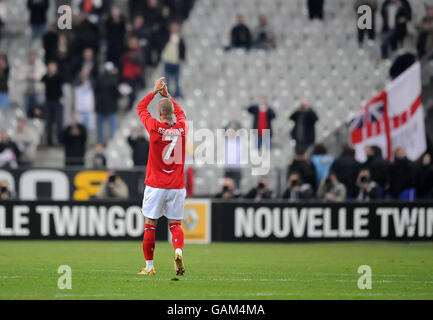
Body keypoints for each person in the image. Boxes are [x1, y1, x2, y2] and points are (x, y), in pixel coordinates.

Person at [136, 77, 187, 276]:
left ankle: (149, 267)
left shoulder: (154, 127)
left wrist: (154, 91)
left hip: (156, 185)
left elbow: (140, 108)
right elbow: (181, 113)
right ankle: (178, 251)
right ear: (172, 112)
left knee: (150, 225)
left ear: (159, 114)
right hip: (177, 186)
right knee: (175, 225)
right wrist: (169, 97)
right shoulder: (183, 127)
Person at [95, 62, 119, 143]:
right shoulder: (113, 79)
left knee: (100, 126)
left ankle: (100, 141)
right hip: (111, 106)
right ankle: (113, 140)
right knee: (112, 125)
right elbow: (116, 93)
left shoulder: (99, 79)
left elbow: (96, 91)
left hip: (101, 105)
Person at [161, 21, 185, 98]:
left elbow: (182, 49)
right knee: (166, 79)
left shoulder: (180, 38)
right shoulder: (166, 37)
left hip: (176, 62)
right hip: (167, 61)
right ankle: (166, 93)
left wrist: (182, 58)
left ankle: (178, 93)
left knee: (177, 79)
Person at [42, 62, 64, 146]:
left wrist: (54, 73)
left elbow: (60, 80)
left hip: (57, 102)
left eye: (53, 67)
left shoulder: (58, 76)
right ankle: (49, 141)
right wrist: (49, 74)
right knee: (49, 122)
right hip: (48, 102)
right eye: (50, 67)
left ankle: (60, 140)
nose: (51, 68)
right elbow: (42, 79)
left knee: (59, 122)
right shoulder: (47, 76)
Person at [122, 35, 144, 109]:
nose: (132, 44)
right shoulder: (127, 51)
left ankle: (132, 106)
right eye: (131, 42)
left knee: (132, 93)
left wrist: (130, 56)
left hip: (133, 76)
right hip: (126, 75)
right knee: (127, 92)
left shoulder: (138, 52)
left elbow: (139, 60)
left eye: (134, 42)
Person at [23, 51, 45, 118]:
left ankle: (37, 122)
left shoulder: (39, 66)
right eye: (30, 57)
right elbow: (20, 75)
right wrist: (26, 77)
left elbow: (43, 76)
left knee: (37, 109)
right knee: (27, 109)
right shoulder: (25, 66)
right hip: (27, 91)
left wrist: (35, 77)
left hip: (36, 91)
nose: (31, 59)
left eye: (33, 57)